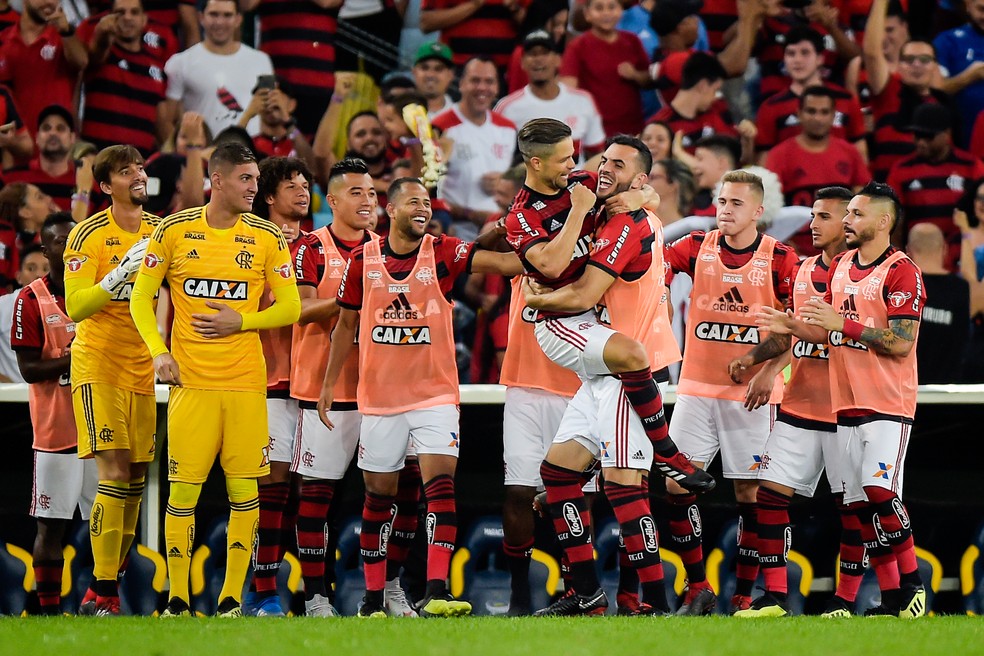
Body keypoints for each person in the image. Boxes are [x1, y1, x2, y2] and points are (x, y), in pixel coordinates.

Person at [316, 176, 524, 618]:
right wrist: (329, 386)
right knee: (378, 498)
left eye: (427, 203)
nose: (423, 209)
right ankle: (373, 600)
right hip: (380, 399)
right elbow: (345, 329)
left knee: (441, 489)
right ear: (390, 211)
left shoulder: (443, 252)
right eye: (413, 202)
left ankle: (436, 590)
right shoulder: (362, 261)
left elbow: (504, 264)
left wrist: (520, 228)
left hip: (435, 396)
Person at [129, 143, 301, 618]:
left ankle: (230, 600)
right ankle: (178, 599)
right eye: (246, 179)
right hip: (193, 385)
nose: (255, 188)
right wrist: (159, 352)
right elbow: (140, 299)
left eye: (256, 179)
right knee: (183, 494)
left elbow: (290, 307)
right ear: (218, 180)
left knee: (245, 495)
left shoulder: (267, 237)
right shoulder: (174, 230)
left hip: (247, 385)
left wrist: (242, 322)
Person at [503, 118, 711, 492]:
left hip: (596, 328)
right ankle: (666, 451)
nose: (575, 167)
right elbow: (550, 264)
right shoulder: (522, 216)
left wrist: (639, 196)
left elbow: (647, 193)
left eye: (575, 157)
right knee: (621, 475)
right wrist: (579, 212)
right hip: (558, 319)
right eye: (565, 160)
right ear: (536, 163)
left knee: (565, 477)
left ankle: (575, 515)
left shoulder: (580, 184)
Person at [522, 135, 683, 617]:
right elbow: (645, 196)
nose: (604, 167)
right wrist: (637, 194)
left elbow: (581, 294)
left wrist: (537, 302)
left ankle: (655, 604)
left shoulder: (627, 223)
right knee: (557, 474)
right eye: (604, 159)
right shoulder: (622, 207)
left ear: (640, 178)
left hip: (628, 367)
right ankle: (589, 593)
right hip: (605, 365)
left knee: (624, 485)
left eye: (619, 164)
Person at [754, 181, 927, 619]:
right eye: (846, 213)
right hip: (843, 403)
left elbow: (901, 343)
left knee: (878, 491)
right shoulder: (845, 264)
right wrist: (790, 324)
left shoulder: (902, 270)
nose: (848, 221)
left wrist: (843, 325)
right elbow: (826, 329)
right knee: (862, 506)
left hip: (888, 402)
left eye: (856, 214)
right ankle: (891, 602)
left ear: (883, 221)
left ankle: (912, 586)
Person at [663, 169, 800, 615]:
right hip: (696, 388)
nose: (725, 210)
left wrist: (758, 363)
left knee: (753, 495)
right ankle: (699, 586)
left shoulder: (780, 259)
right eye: (721, 202)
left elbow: (796, 329)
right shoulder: (694, 247)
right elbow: (646, 267)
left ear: (759, 211)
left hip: (752, 397)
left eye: (736, 204)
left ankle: (744, 593)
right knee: (676, 486)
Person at [726, 186, 864, 617]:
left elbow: (842, 334)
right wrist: (757, 362)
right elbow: (791, 335)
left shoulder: (861, 274)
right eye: (813, 215)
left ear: (847, 223)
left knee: (852, 508)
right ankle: (775, 598)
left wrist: (796, 328)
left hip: (846, 409)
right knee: (768, 497)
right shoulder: (803, 270)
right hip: (801, 405)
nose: (813, 224)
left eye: (824, 217)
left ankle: (845, 601)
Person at [62, 144, 160, 616]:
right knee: (114, 472)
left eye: (140, 168)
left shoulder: (160, 230)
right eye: (126, 171)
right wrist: (118, 276)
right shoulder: (87, 234)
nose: (138, 176)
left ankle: (103, 587)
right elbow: (76, 307)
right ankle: (104, 591)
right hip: (98, 363)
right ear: (105, 186)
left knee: (137, 478)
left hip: (142, 365)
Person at [245, 156, 322, 617]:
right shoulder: (251, 246)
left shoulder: (319, 245)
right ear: (269, 197)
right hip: (270, 379)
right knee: (270, 489)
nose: (300, 190)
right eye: (290, 184)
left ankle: (312, 591)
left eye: (305, 183)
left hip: (314, 386)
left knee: (309, 493)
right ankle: (264, 592)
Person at [11, 212, 98, 615]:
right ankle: (48, 611)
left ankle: (103, 600)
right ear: (47, 250)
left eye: (75, 240)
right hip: (57, 431)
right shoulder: (29, 300)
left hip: (101, 429)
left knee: (108, 524)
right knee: (52, 526)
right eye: (61, 242)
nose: (70, 248)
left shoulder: (99, 294)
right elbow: (29, 369)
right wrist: (73, 361)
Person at [765, 86, 870, 255]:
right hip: (796, 252)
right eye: (811, 111)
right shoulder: (779, 155)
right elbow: (769, 211)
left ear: (833, 115)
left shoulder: (850, 153)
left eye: (824, 112)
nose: (818, 118)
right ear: (798, 114)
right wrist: (784, 244)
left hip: (844, 251)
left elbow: (863, 205)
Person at [886, 103, 984, 269]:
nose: (921, 142)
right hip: (918, 261)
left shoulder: (971, 166)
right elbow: (894, 221)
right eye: (917, 136)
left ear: (947, 134)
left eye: (928, 137)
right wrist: (898, 260)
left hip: (964, 259)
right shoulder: (901, 169)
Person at [863, 0, 952, 181]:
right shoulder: (888, 89)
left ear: (936, 66)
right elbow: (872, 53)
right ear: (900, 66)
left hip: (930, 191)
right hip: (885, 192)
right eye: (909, 59)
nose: (917, 65)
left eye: (925, 59)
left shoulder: (943, 105)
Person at [754, 27, 868, 165]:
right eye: (791, 54)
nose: (797, 60)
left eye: (805, 53)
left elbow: (860, 153)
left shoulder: (846, 100)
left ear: (820, 58)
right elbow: (764, 162)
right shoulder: (770, 107)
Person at [432, 57, 517, 241]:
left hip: (500, 233)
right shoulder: (440, 127)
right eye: (475, 80)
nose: (482, 88)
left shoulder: (508, 128)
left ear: (497, 87)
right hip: (454, 233)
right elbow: (426, 186)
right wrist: (469, 213)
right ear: (461, 84)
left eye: (489, 81)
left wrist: (503, 182)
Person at [162, 0, 274, 140]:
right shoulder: (180, 63)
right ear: (201, 17)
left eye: (227, 15)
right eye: (214, 14)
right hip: (200, 158)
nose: (220, 22)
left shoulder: (262, 61)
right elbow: (166, 121)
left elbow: (270, 114)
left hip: (251, 156)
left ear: (238, 19)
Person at [77, 0, 173, 156]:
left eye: (134, 12)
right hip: (98, 159)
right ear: (109, 18)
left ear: (144, 19)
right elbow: (96, 53)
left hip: (139, 163)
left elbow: (161, 122)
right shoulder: (102, 56)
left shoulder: (156, 65)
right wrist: (102, 34)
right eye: (120, 12)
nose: (127, 17)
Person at [494, 30, 606, 164]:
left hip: (576, 182)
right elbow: (495, 158)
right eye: (532, 54)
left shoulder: (583, 101)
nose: (538, 59)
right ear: (522, 62)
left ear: (558, 60)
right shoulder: (507, 108)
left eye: (545, 53)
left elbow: (596, 153)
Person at [242, 0, 339, 138]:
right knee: (268, 145)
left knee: (313, 150)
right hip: (273, 76)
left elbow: (328, 2)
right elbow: (246, 5)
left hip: (316, 79)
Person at [560, 0, 650, 137]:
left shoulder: (632, 41)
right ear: (587, 13)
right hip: (595, 132)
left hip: (634, 129)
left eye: (612, 7)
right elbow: (568, 89)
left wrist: (635, 75)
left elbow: (649, 80)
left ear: (621, 10)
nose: (606, 13)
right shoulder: (578, 46)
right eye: (599, 8)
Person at [0, 0, 87, 136]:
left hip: (58, 148)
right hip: (16, 147)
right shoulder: (3, 41)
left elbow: (81, 62)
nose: (50, 2)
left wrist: (66, 32)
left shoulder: (65, 38)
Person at [906, 223, 970, 384]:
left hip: (906, 391)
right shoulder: (961, 289)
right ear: (945, 249)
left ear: (908, 251)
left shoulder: (901, 286)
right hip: (949, 393)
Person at [3, 105, 78, 211]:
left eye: (60, 128)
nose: (53, 133)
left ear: (72, 137)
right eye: (46, 128)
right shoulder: (10, 181)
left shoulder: (89, 183)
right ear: (37, 137)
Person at [934, 0, 984, 148]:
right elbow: (935, 90)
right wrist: (969, 77)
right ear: (968, 5)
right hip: (962, 142)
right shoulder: (947, 41)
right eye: (981, 9)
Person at [0, 244, 49, 382]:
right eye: (31, 268)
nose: (39, 274)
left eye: (46, 269)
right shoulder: (2, 306)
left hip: (51, 397)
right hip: (10, 397)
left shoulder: (68, 307)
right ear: (19, 276)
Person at [412, 42, 456, 119]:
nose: (430, 75)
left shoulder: (460, 117)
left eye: (438, 69)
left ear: (450, 75)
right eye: (425, 68)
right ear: (414, 72)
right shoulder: (399, 112)